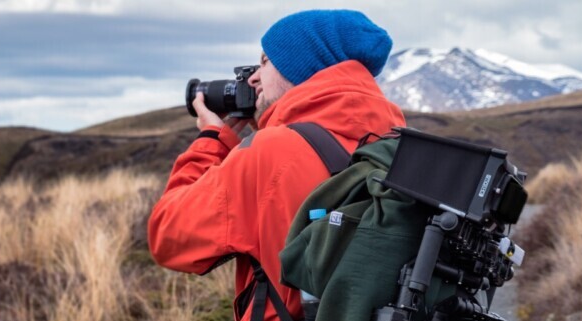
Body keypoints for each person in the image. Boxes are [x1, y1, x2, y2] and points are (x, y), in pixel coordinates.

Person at [147, 9, 407, 321]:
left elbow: (168, 237)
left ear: (301, 68)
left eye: (266, 62)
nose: (254, 77)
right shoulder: (400, 147)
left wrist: (211, 139)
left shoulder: (270, 153)